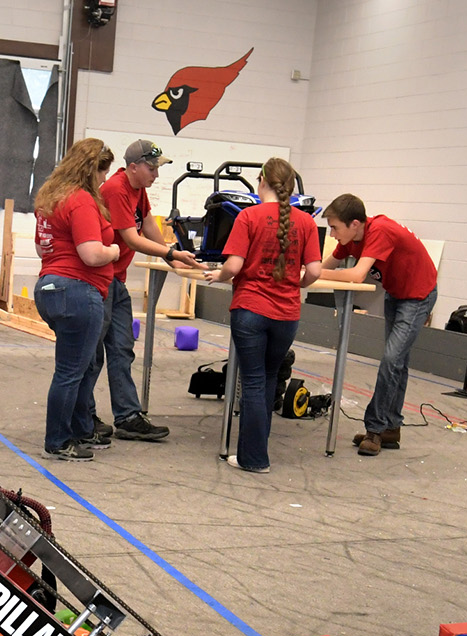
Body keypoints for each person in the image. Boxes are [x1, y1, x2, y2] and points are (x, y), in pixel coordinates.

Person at [205, 158, 321, 474]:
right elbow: (314, 271)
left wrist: (219, 276)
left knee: (253, 381)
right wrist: (295, 283)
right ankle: (256, 450)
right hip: (286, 314)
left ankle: (254, 458)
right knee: (268, 379)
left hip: (251, 309)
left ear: (262, 181)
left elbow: (233, 266)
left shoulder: (248, 216)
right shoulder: (306, 222)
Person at [90, 139, 198, 445]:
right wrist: (172, 255)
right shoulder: (115, 189)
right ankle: (84, 415)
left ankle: (127, 417)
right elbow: (133, 239)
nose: (156, 175)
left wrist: (170, 252)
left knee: (122, 349)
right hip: (101, 281)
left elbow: (148, 223)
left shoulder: (138, 190)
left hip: (117, 280)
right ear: (133, 167)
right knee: (93, 354)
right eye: (151, 169)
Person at [319, 195, 438, 457]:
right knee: (397, 362)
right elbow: (325, 265)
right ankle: (391, 427)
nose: (332, 233)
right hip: (396, 293)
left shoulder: (379, 231)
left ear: (354, 224)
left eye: (335, 227)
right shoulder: (350, 240)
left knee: (391, 359)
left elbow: (355, 274)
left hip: (418, 296)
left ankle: (374, 428)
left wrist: (311, 273)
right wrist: (305, 270)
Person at [32, 139, 120, 462]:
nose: (104, 179)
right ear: (90, 169)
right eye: (102, 172)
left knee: (82, 366)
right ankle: (57, 440)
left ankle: (81, 429)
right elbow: (91, 253)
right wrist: (114, 251)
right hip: (78, 292)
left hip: (50, 288)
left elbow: (42, 249)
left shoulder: (49, 198)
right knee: (71, 371)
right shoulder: (81, 200)